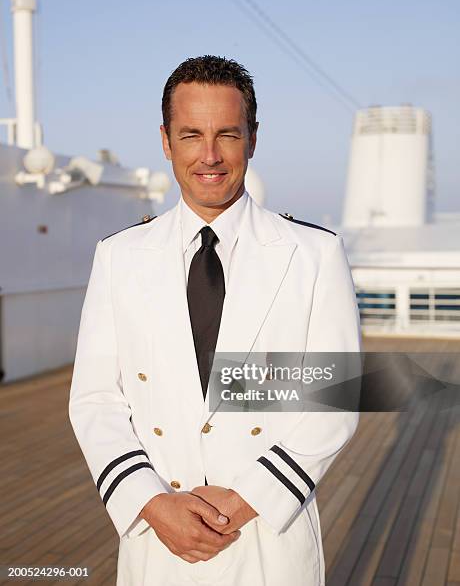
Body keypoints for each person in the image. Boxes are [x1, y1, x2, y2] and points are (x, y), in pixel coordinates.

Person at [69, 55, 361, 586]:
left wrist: (245, 500)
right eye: (190, 135)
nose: (209, 155)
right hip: (158, 541)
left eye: (227, 133)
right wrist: (152, 503)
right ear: (165, 141)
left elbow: (330, 398)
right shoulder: (119, 256)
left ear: (253, 138)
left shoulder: (313, 253)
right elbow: (95, 400)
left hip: (268, 536)